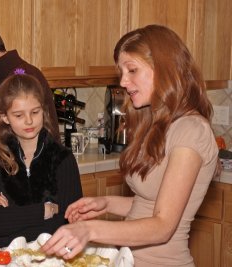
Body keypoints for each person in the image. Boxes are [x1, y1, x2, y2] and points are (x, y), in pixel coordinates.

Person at [41, 24, 221, 267]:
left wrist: (89, 230)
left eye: (132, 70)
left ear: (165, 69)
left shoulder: (191, 131)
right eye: (122, 72)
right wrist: (106, 203)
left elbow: (162, 226)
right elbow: (149, 205)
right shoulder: (157, 124)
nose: (124, 82)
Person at [0, 73, 82, 248]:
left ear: (43, 110)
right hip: (7, 259)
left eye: (35, 112)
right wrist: (44, 210)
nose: (29, 121)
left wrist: (13, 214)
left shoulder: (63, 158)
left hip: (52, 257)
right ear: (5, 117)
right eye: (19, 115)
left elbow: (72, 222)